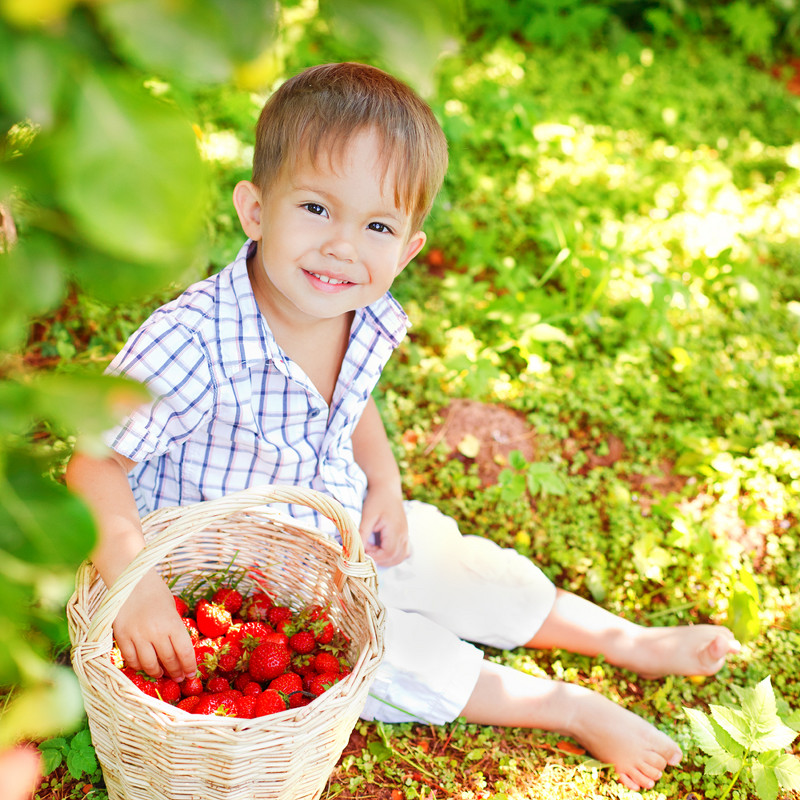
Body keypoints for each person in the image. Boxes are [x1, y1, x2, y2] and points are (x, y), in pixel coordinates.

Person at [65, 62, 740, 792]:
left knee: (459, 564)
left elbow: (351, 403)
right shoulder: (193, 341)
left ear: (408, 249)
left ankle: (623, 639)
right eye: (317, 209)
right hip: (228, 582)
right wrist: (137, 593)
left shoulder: (352, 312)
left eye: (377, 225)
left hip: (341, 528)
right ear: (256, 210)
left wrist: (382, 481)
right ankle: (569, 708)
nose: (343, 246)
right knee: (394, 659)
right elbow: (94, 463)